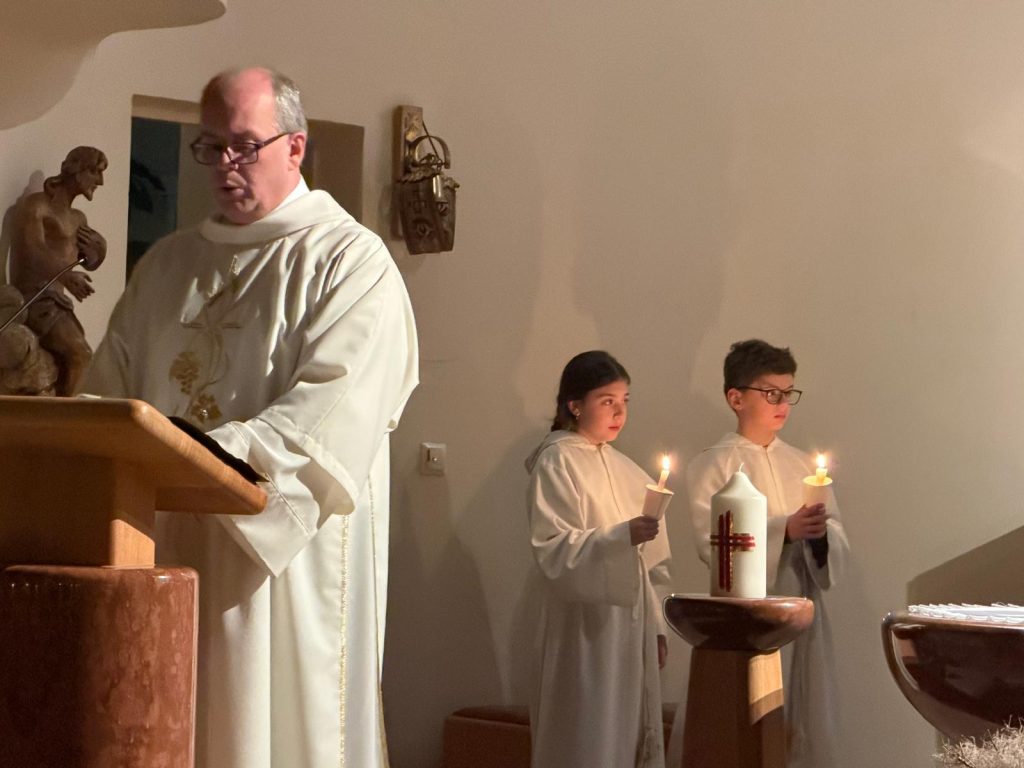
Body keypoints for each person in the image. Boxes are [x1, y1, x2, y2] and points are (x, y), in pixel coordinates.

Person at [80, 67, 419, 768]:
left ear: (295, 146)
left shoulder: (352, 263)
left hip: (276, 570)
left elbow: (330, 414)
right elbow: (106, 400)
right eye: (210, 147)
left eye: (243, 145)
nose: (225, 165)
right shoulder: (168, 266)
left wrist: (189, 457)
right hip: (160, 546)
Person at [685, 339, 849, 768]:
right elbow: (713, 543)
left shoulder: (803, 465)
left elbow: (835, 538)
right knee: (747, 733)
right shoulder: (713, 465)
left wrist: (820, 536)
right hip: (747, 623)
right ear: (736, 398)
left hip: (803, 612)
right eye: (771, 393)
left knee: (804, 728)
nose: (783, 405)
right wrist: (784, 531)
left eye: (789, 393)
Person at [525, 350, 672, 768]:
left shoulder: (629, 470)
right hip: (583, 632)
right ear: (575, 405)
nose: (619, 412)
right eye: (607, 401)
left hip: (630, 630)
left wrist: (657, 626)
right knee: (586, 738)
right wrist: (621, 536)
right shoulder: (556, 460)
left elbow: (654, 564)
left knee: (625, 737)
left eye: (625, 400)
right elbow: (552, 547)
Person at [9, 146, 107, 395]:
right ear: (75, 169)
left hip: (58, 302)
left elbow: (86, 260)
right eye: (94, 172)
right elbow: (33, 249)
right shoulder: (37, 206)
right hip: (35, 298)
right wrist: (66, 274)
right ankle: (68, 415)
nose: (100, 181)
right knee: (80, 354)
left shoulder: (78, 218)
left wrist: (99, 252)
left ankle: (61, 409)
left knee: (72, 361)